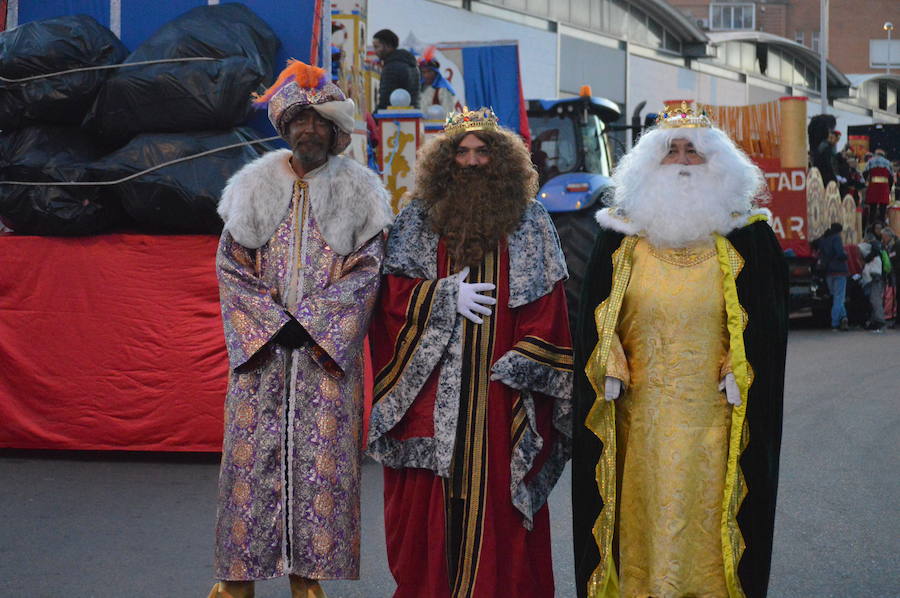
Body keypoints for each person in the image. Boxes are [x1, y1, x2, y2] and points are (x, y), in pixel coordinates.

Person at [572, 102, 788, 598]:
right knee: (640, 509)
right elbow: (595, 315)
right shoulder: (620, 237)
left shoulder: (748, 235)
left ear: (718, 163)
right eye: (673, 151)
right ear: (652, 162)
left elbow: (767, 321)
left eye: (695, 151)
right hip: (638, 417)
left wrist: (740, 362)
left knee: (708, 513)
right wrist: (609, 360)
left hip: (716, 414)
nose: (684, 161)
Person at [367, 107, 573, 597]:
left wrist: (523, 361)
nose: (473, 161)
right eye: (462, 152)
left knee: (500, 494)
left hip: (501, 391)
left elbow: (549, 305)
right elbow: (391, 297)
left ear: (501, 159)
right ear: (446, 160)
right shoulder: (418, 218)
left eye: (483, 151)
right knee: (429, 501)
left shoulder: (532, 220)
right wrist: (442, 297)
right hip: (431, 389)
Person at [208, 60, 392, 598]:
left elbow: (367, 271)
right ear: (286, 127)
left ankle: (306, 578)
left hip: (322, 357)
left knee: (322, 468)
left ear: (336, 133)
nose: (309, 130)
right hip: (262, 355)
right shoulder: (252, 187)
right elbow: (231, 266)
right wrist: (270, 325)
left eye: (320, 123)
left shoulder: (362, 193)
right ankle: (236, 579)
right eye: (300, 121)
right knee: (248, 465)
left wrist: (312, 325)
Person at [373, 29, 420, 110]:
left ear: (388, 46)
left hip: (395, 115)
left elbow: (385, 99)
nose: (375, 51)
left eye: (377, 47)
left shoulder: (391, 67)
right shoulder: (411, 64)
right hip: (412, 112)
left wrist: (374, 116)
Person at [818, 222, 850, 330]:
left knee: (836, 296)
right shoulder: (836, 238)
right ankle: (835, 322)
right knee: (839, 298)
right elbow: (839, 253)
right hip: (839, 270)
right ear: (839, 231)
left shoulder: (824, 239)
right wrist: (846, 255)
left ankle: (844, 317)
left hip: (828, 272)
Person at [860, 223, 887, 333]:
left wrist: (866, 259)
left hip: (875, 275)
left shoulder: (875, 244)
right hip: (876, 274)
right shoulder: (879, 245)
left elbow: (873, 252)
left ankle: (879, 322)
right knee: (873, 298)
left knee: (875, 299)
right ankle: (874, 321)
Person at [419, 47, 458, 117]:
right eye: (424, 72)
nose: (426, 75)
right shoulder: (420, 88)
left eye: (429, 72)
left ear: (436, 73)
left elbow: (449, 113)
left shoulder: (443, 89)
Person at [864, 149, 894, 225]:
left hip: (873, 187)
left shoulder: (870, 161)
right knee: (883, 208)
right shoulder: (888, 162)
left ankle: (871, 225)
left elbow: (864, 174)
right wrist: (889, 188)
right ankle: (882, 224)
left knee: (872, 208)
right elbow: (891, 178)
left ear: (875, 154)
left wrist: (866, 184)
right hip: (884, 187)